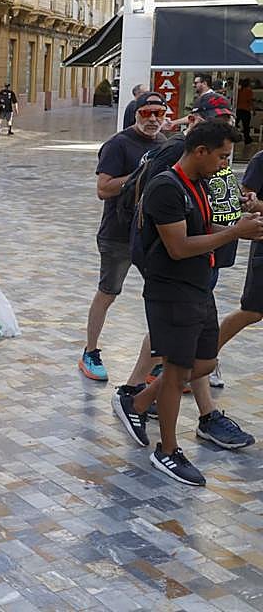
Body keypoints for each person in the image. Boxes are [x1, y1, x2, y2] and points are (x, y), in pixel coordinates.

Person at [112, 122, 263, 486]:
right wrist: (234, 233)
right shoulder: (166, 186)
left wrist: (238, 222)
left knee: (206, 361)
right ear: (200, 152)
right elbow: (178, 247)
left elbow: (202, 230)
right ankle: (167, 450)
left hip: (198, 286)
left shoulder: (198, 184)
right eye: (223, 156)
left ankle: (138, 402)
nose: (226, 164)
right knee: (177, 370)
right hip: (171, 290)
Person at [80, 93, 168, 381]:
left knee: (160, 295)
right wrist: (140, 176)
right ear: (135, 114)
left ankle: (158, 359)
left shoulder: (165, 145)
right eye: (146, 113)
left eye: (159, 113)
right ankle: (90, 352)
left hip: (152, 235)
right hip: (118, 235)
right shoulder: (118, 144)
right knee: (108, 291)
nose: (153, 119)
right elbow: (103, 188)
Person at [236, 78, 254, 145]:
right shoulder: (249, 91)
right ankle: (247, 139)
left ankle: (234, 138)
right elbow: (250, 101)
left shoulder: (239, 90)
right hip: (246, 110)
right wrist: (253, 109)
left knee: (235, 124)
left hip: (238, 109)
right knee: (246, 126)